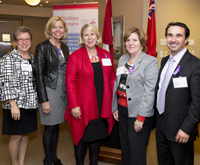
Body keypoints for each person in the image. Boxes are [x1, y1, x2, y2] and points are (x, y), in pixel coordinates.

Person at [64, 23, 116, 165]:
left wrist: (113, 102)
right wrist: (74, 105)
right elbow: (70, 82)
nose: (89, 37)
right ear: (82, 38)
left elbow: (112, 77)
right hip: (83, 105)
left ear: (97, 36)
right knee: (82, 138)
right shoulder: (75, 57)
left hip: (102, 104)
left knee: (97, 137)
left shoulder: (105, 55)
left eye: (92, 34)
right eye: (86, 35)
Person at [112, 27, 159, 165]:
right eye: (128, 40)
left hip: (138, 113)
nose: (130, 43)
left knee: (136, 152)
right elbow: (117, 84)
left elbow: (149, 92)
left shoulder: (150, 61)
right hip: (122, 110)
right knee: (125, 149)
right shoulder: (122, 59)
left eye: (134, 40)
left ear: (142, 43)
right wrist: (115, 107)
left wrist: (141, 117)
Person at [155, 22, 200, 165]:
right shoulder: (164, 61)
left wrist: (187, 129)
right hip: (161, 125)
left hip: (181, 129)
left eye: (178, 35)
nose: (173, 39)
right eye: (170, 35)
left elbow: (197, 102)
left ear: (186, 39)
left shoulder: (195, 65)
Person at [0, 26, 38, 165]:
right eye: (20, 39)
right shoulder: (8, 59)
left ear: (31, 41)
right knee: (16, 136)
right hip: (15, 105)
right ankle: (14, 163)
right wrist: (13, 105)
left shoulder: (32, 58)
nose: (24, 42)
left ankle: (21, 162)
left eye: (27, 39)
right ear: (15, 42)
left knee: (25, 133)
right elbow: (6, 83)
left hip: (30, 103)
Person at [34, 16, 69, 165]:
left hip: (62, 92)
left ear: (64, 30)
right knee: (49, 127)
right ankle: (48, 159)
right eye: (54, 27)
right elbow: (38, 75)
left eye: (60, 27)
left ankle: (54, 156)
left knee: (56, 126)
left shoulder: (65, 47)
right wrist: (44, 100)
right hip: (49, 91)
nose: (57, 30)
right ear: (49, 30)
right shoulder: (42, 47)